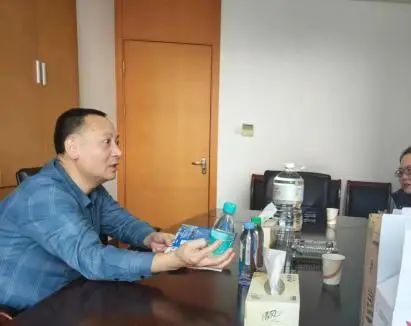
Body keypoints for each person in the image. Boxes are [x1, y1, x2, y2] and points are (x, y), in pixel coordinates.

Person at [0, 108, 235, 311]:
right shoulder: (45, 195)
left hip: (72, 292)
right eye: (107, 142)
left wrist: (149, 237)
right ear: (72, 147)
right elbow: (92, 259)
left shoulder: (91, 187)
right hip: (23, 316)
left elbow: (121, 222)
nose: (118, 152)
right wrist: (172, 260)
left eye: (117, 142)